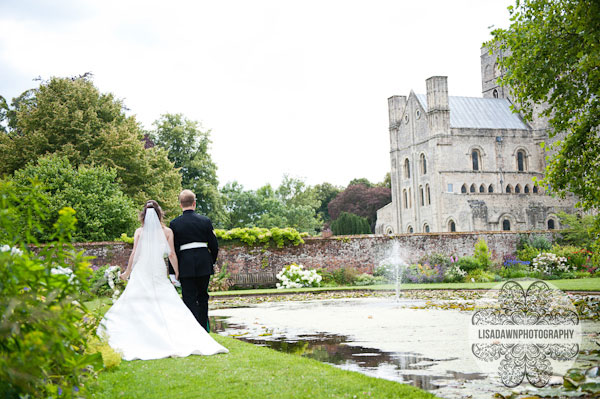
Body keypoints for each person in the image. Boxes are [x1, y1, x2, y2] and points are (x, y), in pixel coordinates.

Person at [97, 200, 227, 361]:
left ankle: (142, 335)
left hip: (142, 269)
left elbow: (134, 254)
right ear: (159, 214)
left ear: (143, 215)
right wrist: (177, 272)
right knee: (166, 301)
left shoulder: (139, 231)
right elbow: (171, 254)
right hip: (158, 268)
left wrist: (127, 271)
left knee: (137, 301)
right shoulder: (167, 232)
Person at [169, 190, 218, 332]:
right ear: (194, 203)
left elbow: (173, 250)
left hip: (185, 265)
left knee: (188, 298)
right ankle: (203, 329)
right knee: (203, 297)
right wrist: (211, 262)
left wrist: (174, 271)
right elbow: (214, 246)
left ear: (180, 205)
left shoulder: (175, 224)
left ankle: (192, 330)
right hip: (203, 263)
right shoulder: (205, 221)